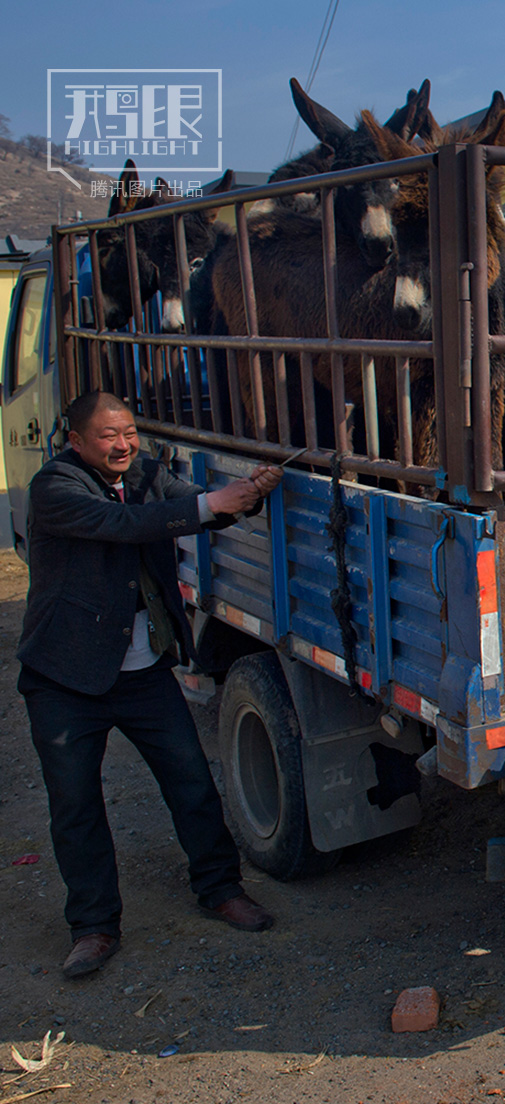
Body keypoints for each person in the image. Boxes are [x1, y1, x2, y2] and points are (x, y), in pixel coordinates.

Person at [20, 390, 286, 979]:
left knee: (192, 782)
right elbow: (124, 525)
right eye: (109, 435)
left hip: (142, 673)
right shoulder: (55, 488)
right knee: (76, 807)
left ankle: (220, 890)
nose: (124, 444)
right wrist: (208, 505)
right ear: (76, 441)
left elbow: (194, 505)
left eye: (130, 431)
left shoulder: (144, 473)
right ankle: (93, 927)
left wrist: (243, 497)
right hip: (66, 678)